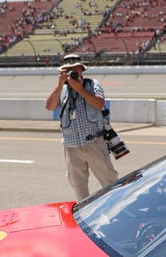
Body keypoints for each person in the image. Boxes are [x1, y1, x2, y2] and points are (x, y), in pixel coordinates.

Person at [45, 54, 118, 201]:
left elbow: (99, 104)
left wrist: (79, 89)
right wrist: (59, 85)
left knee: (109, 181)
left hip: (94, 142)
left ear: (81, 69)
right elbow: (49, 106)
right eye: (68, 70)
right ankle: (84, 214)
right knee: (78, 186)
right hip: (71, 146)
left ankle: (116, 209)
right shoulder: (62, 90)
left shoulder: (92, 85)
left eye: (74, 69)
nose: (71, 72)